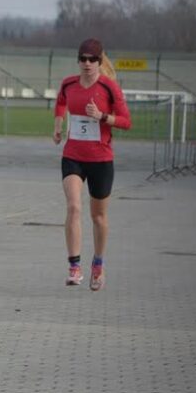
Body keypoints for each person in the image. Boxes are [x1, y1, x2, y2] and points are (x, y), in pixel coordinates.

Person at [52, 38, 132, 292]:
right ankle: (74, 267)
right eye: (83, 59)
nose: (87, 63)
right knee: (74, 207)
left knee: (98, 216)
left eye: (92, 59)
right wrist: (58, 126)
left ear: (99, 61)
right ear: (78, 60)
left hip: (101, 159)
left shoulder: (109, 88)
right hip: (73, 155)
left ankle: (98, 264)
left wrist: (102, 117)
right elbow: (61, 103)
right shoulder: (69, 84)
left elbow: (126, 121)